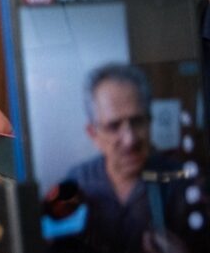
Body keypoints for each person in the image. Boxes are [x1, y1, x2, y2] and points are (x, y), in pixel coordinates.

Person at [62, 64, 189, 253]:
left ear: (149, 121)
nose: (130, 140)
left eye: (137, 121)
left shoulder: (179, 181)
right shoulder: (77, 182)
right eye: (114, 126)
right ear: (93, 134)